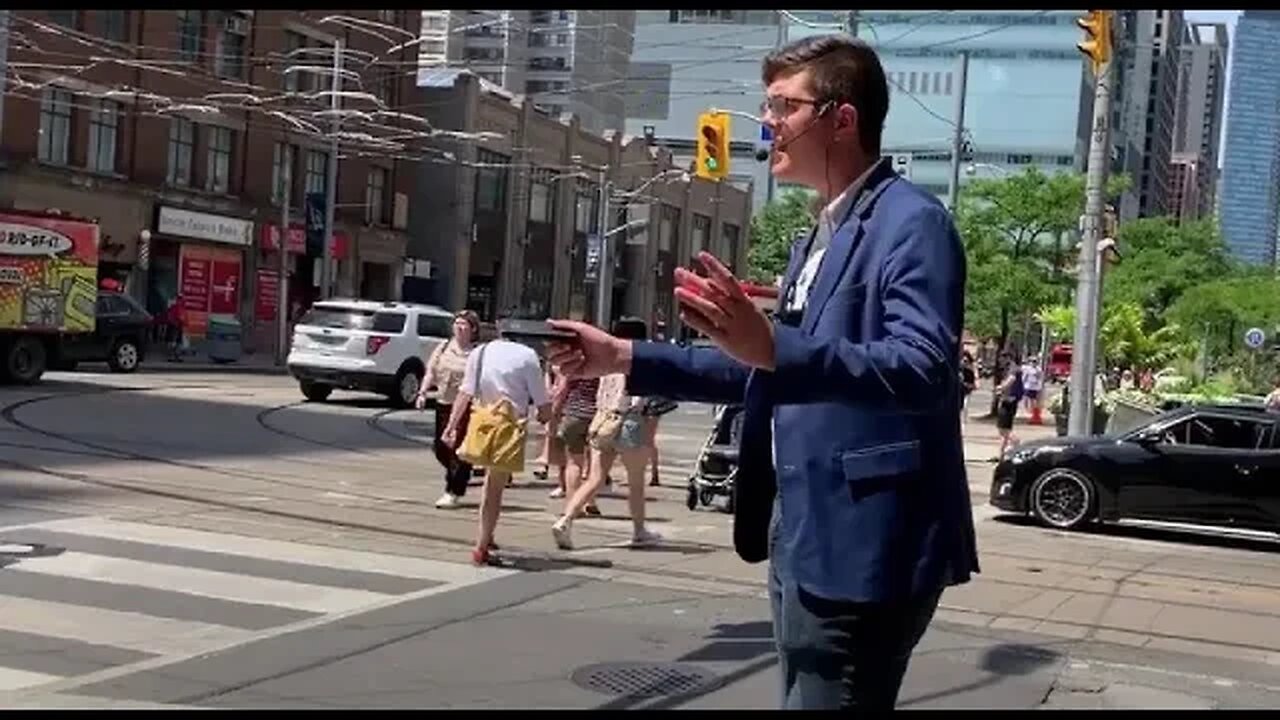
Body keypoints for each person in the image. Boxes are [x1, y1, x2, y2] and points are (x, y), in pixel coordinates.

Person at [547, 34, 977, 711]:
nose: (766, 123)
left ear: (843, 119)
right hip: (798, 523)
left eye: (782, 106)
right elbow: (759, 369)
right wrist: (624, 357)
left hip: (865, 540)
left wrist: (773, 345)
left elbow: (924, 371)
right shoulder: (818, 235)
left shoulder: (912, 224)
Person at [442, 322, 551, 565]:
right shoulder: (528, 356)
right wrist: (546, 418)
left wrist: (451, 426)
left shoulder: (479, 352)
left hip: (481, 423)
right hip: (508, 428)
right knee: (494, 488)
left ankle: (487, 536)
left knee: (488, 486)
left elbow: (465, 392)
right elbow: (542, 402)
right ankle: (481, 546)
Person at [552, 319, 660, 550]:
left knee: (595, 478)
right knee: (636, 483)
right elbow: (642, 398)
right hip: (630, 419)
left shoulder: (608, 361)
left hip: (603, 419)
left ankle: (566, 519)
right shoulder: (638, 361)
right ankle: (639, 530)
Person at [415, 310, 480, 509]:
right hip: (444, 403)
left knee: (458, 449)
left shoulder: (477, 352)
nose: (459, 327)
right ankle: (460, 471)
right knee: (441, 448)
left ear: (473, 329)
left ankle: (453, 491)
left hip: (467, 406)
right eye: (457, 323)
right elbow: (431, 372)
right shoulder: (443, 347)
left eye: (464, 325)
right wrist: (422, 393)